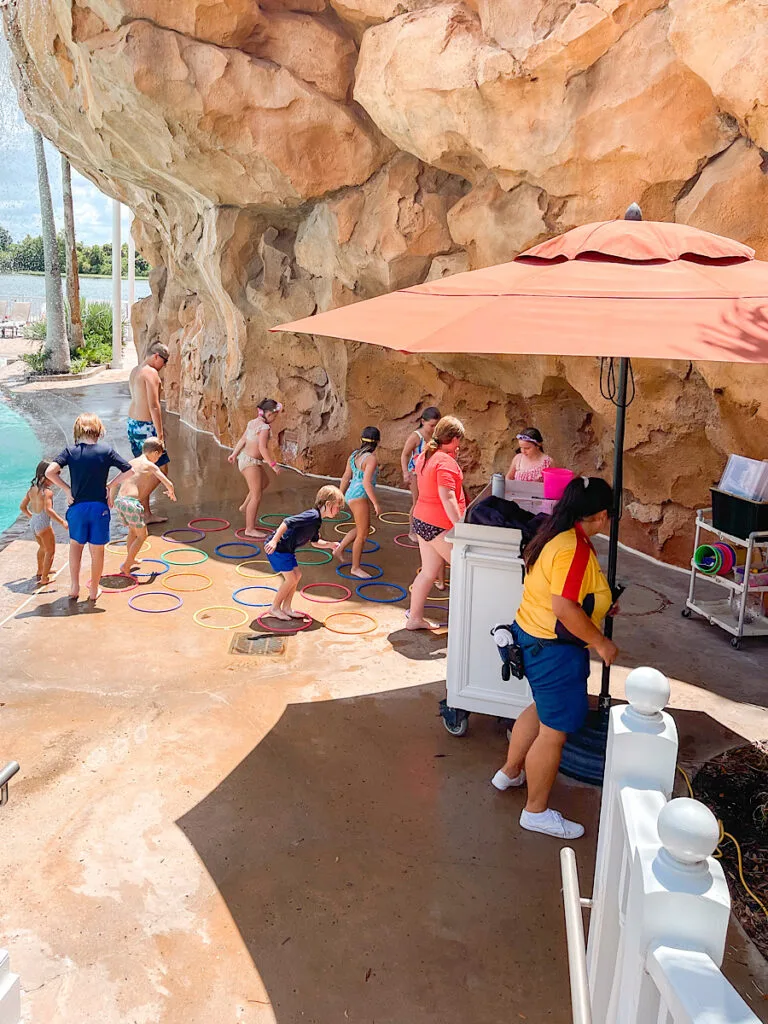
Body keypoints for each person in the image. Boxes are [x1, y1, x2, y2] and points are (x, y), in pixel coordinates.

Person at [491, 476, 619, 840]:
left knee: (540, 708)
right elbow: (563, 606)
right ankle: (536, 811)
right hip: (554, 651)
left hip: (529, 636)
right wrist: (600, 642)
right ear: (600, 516)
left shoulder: (554, 533)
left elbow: (565, 593)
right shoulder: (574, 548)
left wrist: (598, 605)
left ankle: (510, 771)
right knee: (554, 733)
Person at [47, 413, 134, 602]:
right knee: (97, 551)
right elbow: (129, 470)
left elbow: (49, 472)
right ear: (99, 430)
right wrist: (110, 486)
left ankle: (74, 587)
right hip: (99, 508)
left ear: (78, 431)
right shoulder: (106, 450)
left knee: (75, 547)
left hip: (77, 508)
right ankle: (94, 590)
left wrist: (67, 490)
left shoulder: (70, 451)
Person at [407, 416, 466, 630]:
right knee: (463, 570)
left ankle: (414, 618)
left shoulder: (426, 455)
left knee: (429, 572)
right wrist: (461, 527)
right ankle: (463, 625)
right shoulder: (444, 462)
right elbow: (447, 497)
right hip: (437, 524)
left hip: (422, 520)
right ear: (454, 438)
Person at [264, 485, 344, 620]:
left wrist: (331, 544)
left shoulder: (317, 521)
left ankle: (287, 608)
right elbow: (287, 522)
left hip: (287, 550)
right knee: (291, 579)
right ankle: (274, 608)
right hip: (278, 548)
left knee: (297, 575)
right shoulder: (312, 516)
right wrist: (275, 541)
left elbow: (315, 541)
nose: (338, 510)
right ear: (328, 504)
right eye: (337, 507)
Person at [108, 438, 176, 576]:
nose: (158, 459)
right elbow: (167, 482)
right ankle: (126, 565)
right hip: (132, 503)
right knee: (142, 535)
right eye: (159, 456)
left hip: (121, 501)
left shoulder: (131, 463)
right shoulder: (150, 465)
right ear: (156, 453)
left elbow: (113, 483)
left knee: (133, 532)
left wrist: (111, 501)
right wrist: (171, 492)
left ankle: (131, 558)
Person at [127, 342, 171, 524]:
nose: (165, 365)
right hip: (146, 427)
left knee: (145, 469)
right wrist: (160, 434)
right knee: (162, 469)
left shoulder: (135, 370)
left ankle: (146, 514)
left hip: (132, 424)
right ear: (156, 356)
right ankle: (134, 502)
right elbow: (154, 406)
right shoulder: (151, 373)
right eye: (165, 361)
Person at [228, 398, 283, 538]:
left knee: (264, 482)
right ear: (269, 414)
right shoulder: (264, 428)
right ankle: (249, 528)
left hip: (245, 459)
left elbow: (243, 439)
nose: (275, 419)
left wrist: (234, 454)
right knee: (257, 496)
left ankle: (245, 506)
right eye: (275, 416)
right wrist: (273, 465)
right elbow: (263, 449)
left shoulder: (252, 423)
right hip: (251, 463)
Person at [336, 427, 381, 579]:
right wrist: (375, 503)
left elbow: (345, 476)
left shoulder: (354, 455)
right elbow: (367, 483)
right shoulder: (371, 459)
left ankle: (339, 549)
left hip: (351, 494)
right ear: (377, 442)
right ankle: (355, 568)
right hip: (360, 495)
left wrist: (340, 494)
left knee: (361, 528)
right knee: (362, 534)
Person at [20, 460, 68, 586]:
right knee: (50, 551)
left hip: (34, 522)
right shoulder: (47, 492)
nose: (57, 478)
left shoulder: (32, 489)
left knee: (42, 548)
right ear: (45, 476)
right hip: (43, 525)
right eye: (55, 475)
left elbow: (22, 507)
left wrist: (32, 517)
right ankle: (45, 578)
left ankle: (40, 570)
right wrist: (62, 522)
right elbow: (48, 510)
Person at [401, 407, 441, 542]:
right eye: (432, 425)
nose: (434, 428)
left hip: (429, 474)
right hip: (415, 474)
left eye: (437, 425)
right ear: (423, 421)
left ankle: (426, 528)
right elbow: (405, 454)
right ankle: (412, 531)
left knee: (429, 502)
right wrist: (405, 472)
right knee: (417, 502)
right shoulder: (416, 436)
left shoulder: (436, 436)